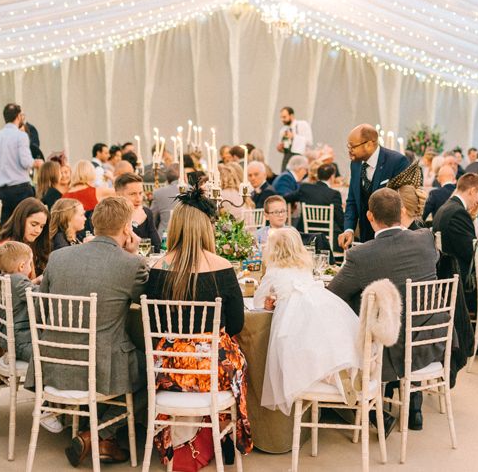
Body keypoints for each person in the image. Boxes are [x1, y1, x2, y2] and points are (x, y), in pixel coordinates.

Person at [26, 197, 148, 466]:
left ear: (94, 223)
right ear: (127, 228)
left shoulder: (58, 258)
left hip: (52, 363)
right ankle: (98, 433)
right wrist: (132, 254)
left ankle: (102, 439)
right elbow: (144, 304)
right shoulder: (131, 265)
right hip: (101, 369)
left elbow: (44, 307)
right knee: (156, 370)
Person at [145, 187, 252, 465]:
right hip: (210, 372)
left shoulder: (158, 268)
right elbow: (237, 324)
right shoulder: (223, 266)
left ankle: (190, 444)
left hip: (168, 371)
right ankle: (224, 436)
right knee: (235, 361)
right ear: (207, 228)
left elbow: (155, 324)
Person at [328, 188, 443, 431]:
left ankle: (367, 409)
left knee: (348, 316)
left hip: (391, 347)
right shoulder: (425, 238)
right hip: (432, 339)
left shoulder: (361, 254)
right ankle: (413, 407)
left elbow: (333, 294)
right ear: (402, 212)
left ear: (370, 217)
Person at [253, 227, 359, 415]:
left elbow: (258, 300)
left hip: (292, 313)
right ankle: (335, 373)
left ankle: (319, 377)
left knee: (294, 349)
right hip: (319, 303)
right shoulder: (304, 265)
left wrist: (268, 302)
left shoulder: (273, 269)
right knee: (322, 340)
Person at [339, 124, 408, 250]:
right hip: (365, 238)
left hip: (390, 239)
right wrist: (349, 229)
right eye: (348, 146)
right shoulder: (355, 164)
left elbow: (404, 202)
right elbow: (352, 200)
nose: (349, 150)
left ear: (369, 144)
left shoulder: (397, 162)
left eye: (352, 146)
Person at [0, 103, 42, 223]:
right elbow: (26, 162)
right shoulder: (21, 136)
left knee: (7, 226)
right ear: (18, 116)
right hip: (21, 190)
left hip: (3, 192)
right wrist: (36, 163)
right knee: (25, 225)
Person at [432, 173, 478, 294]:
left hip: (446, 276)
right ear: (472, 191)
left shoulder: (445, 207)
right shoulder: (458, 213)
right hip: (459, 284)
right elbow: (472, 253)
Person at [0, 241, 36, 363]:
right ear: (21, 266)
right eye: (30, 264)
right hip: (22, 342)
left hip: (8, 339)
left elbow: (24, 289)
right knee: (52, 356)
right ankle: (37, 382)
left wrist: (35, 281)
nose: (30, 267)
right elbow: (40, 295)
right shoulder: (18, 281)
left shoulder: (4, 278)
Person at [0, 198, 50, 275]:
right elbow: (11, 284)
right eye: (34, 224)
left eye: (42, 226)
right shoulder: (7, 249)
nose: (38, 230)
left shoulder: (29, 243)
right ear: (20, 220)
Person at [285, 163, 344, 237]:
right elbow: (339, 218)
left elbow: (286, 198)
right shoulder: (334, 194)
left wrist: (293, 204)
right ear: (332, 177)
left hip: (304, 231)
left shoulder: (305, 188)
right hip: (327, 233)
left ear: (318, 175)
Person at [115, 172, 161, 251]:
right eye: (133, 194)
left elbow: (157, 246)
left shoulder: (146, 213)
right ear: (119, 195)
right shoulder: (111, 215)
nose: (138, 199)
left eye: (140, 193)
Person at [276, 106, 313, 171]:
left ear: (291, 116)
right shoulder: (283, 130)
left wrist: (294, 137)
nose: (282, 120)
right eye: (281, 117)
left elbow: (309, 142)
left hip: (301, 157)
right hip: (287, 157)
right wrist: (280, 148)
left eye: (284, 117)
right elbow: (283, 148)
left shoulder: (302, 124)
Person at [150, 163, 180, 235]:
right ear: (183, 176)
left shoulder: (158, 192)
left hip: (165, 237)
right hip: (188, 237)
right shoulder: (192, 190)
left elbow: (152, 218)